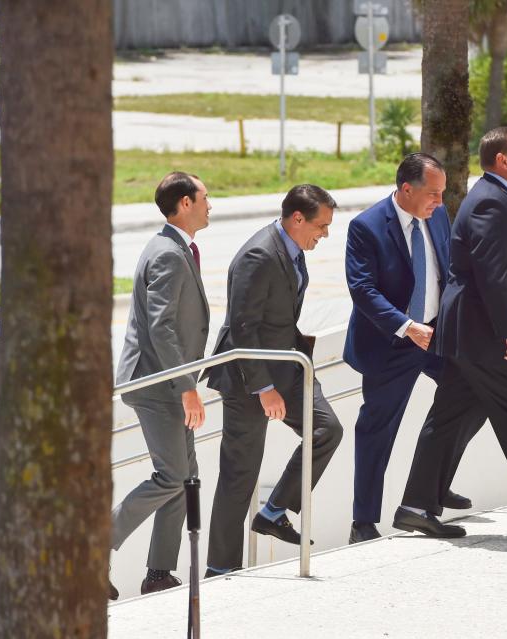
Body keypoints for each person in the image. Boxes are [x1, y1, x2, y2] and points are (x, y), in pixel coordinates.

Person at [394, 127, 507, 539]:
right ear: (503, 161)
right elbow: (491, 277)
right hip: (485, 337)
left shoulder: (498, 199)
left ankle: (416, 506)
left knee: (450, 417)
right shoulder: (491, 203)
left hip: (473, 335)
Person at [204, 184, 344, 576]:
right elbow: (243, 328)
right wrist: (263, 387)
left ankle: (274, 510)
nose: (325, 234)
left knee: (327, 429)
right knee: (239, 474)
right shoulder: (258, 254)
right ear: (297, 219)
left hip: (288, 366)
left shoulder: (293, 250)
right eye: (321, 225)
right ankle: (220, 569)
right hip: (249, 376)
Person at [343, 153, 473, 544]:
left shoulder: (438, 216)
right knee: (376, 431)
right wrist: (405, 326)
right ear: (405, 189)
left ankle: (433, 484)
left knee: (473, 392)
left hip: (436, 337)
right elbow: (362, 289)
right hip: (391, 343)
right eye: (432, 193)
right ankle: (363, 522)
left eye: (442, 193)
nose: (439, 200)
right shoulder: (366, 227)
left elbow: (449, 271)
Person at [110, 172, 211, 598]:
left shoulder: (173, 247)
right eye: (205, 198)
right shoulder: (168, 253)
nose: (211, 205)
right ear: (184, 203)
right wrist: (186, 385)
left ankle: (158, 574)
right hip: (157, 383)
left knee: (186, 475)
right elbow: (161, 327)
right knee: (173, 475)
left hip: (166, 381)